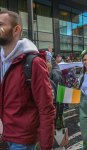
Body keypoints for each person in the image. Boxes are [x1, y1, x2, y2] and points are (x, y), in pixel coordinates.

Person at [0, 10, 55, 150]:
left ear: (16, 29)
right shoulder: (2, 61)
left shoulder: (34, 63)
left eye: (1, 24)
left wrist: (46, 146)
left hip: (23, 140)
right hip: (6, 134)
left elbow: (46, 108)